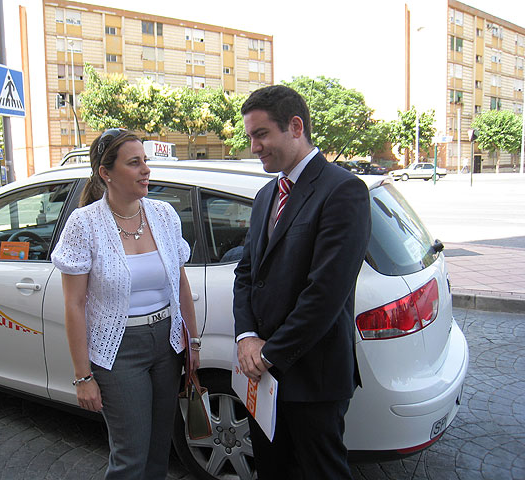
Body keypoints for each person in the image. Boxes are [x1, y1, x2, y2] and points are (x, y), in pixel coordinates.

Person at [233, 85, 371, 479]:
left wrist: (269, 353)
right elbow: (247, 274)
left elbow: (325, 295)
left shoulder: (343, 190)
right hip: (261, 374)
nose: (254, 146)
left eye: (261, 135)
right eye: (250, 137)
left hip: (312, 378)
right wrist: (246, 337)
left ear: (295, 126)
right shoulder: (265, 195)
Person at [51, 129, 200, 480]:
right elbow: (74, 305)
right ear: (106, 173)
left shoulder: (163, 215)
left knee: (159, 450)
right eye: (134, 163)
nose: (145, 169)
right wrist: (82, 376)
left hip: (167, 343)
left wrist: (192, 343)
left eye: (145, 161)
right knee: (130, 456)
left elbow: (179, 284)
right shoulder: (84, 223)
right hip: (117, 352)